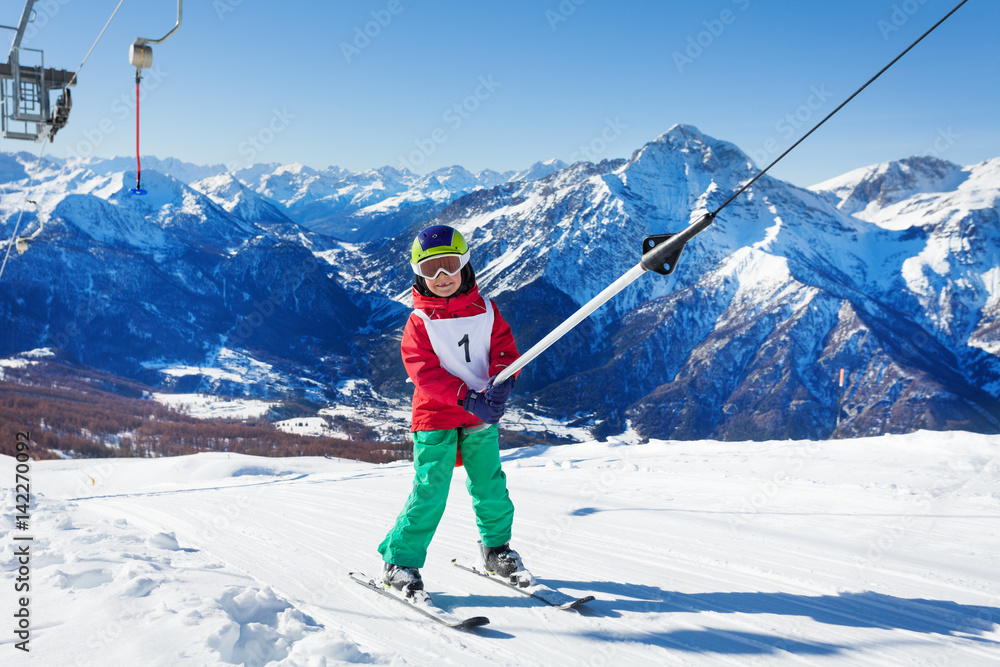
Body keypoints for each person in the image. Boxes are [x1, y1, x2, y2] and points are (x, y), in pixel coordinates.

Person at [378, 223, 523, 595]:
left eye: (450, 265)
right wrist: (466, 396)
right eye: (431, 269)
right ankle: (400, 560)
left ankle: (496, 549)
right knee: (431, 489)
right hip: (435, 415)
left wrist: (502, 382)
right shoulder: (420, 321)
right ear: (419, 274)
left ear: (466, 265)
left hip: (480, 414)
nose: (442, 277)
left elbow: (506, 353)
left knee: (490, 484)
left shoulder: (488, 312)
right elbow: (423, 371)